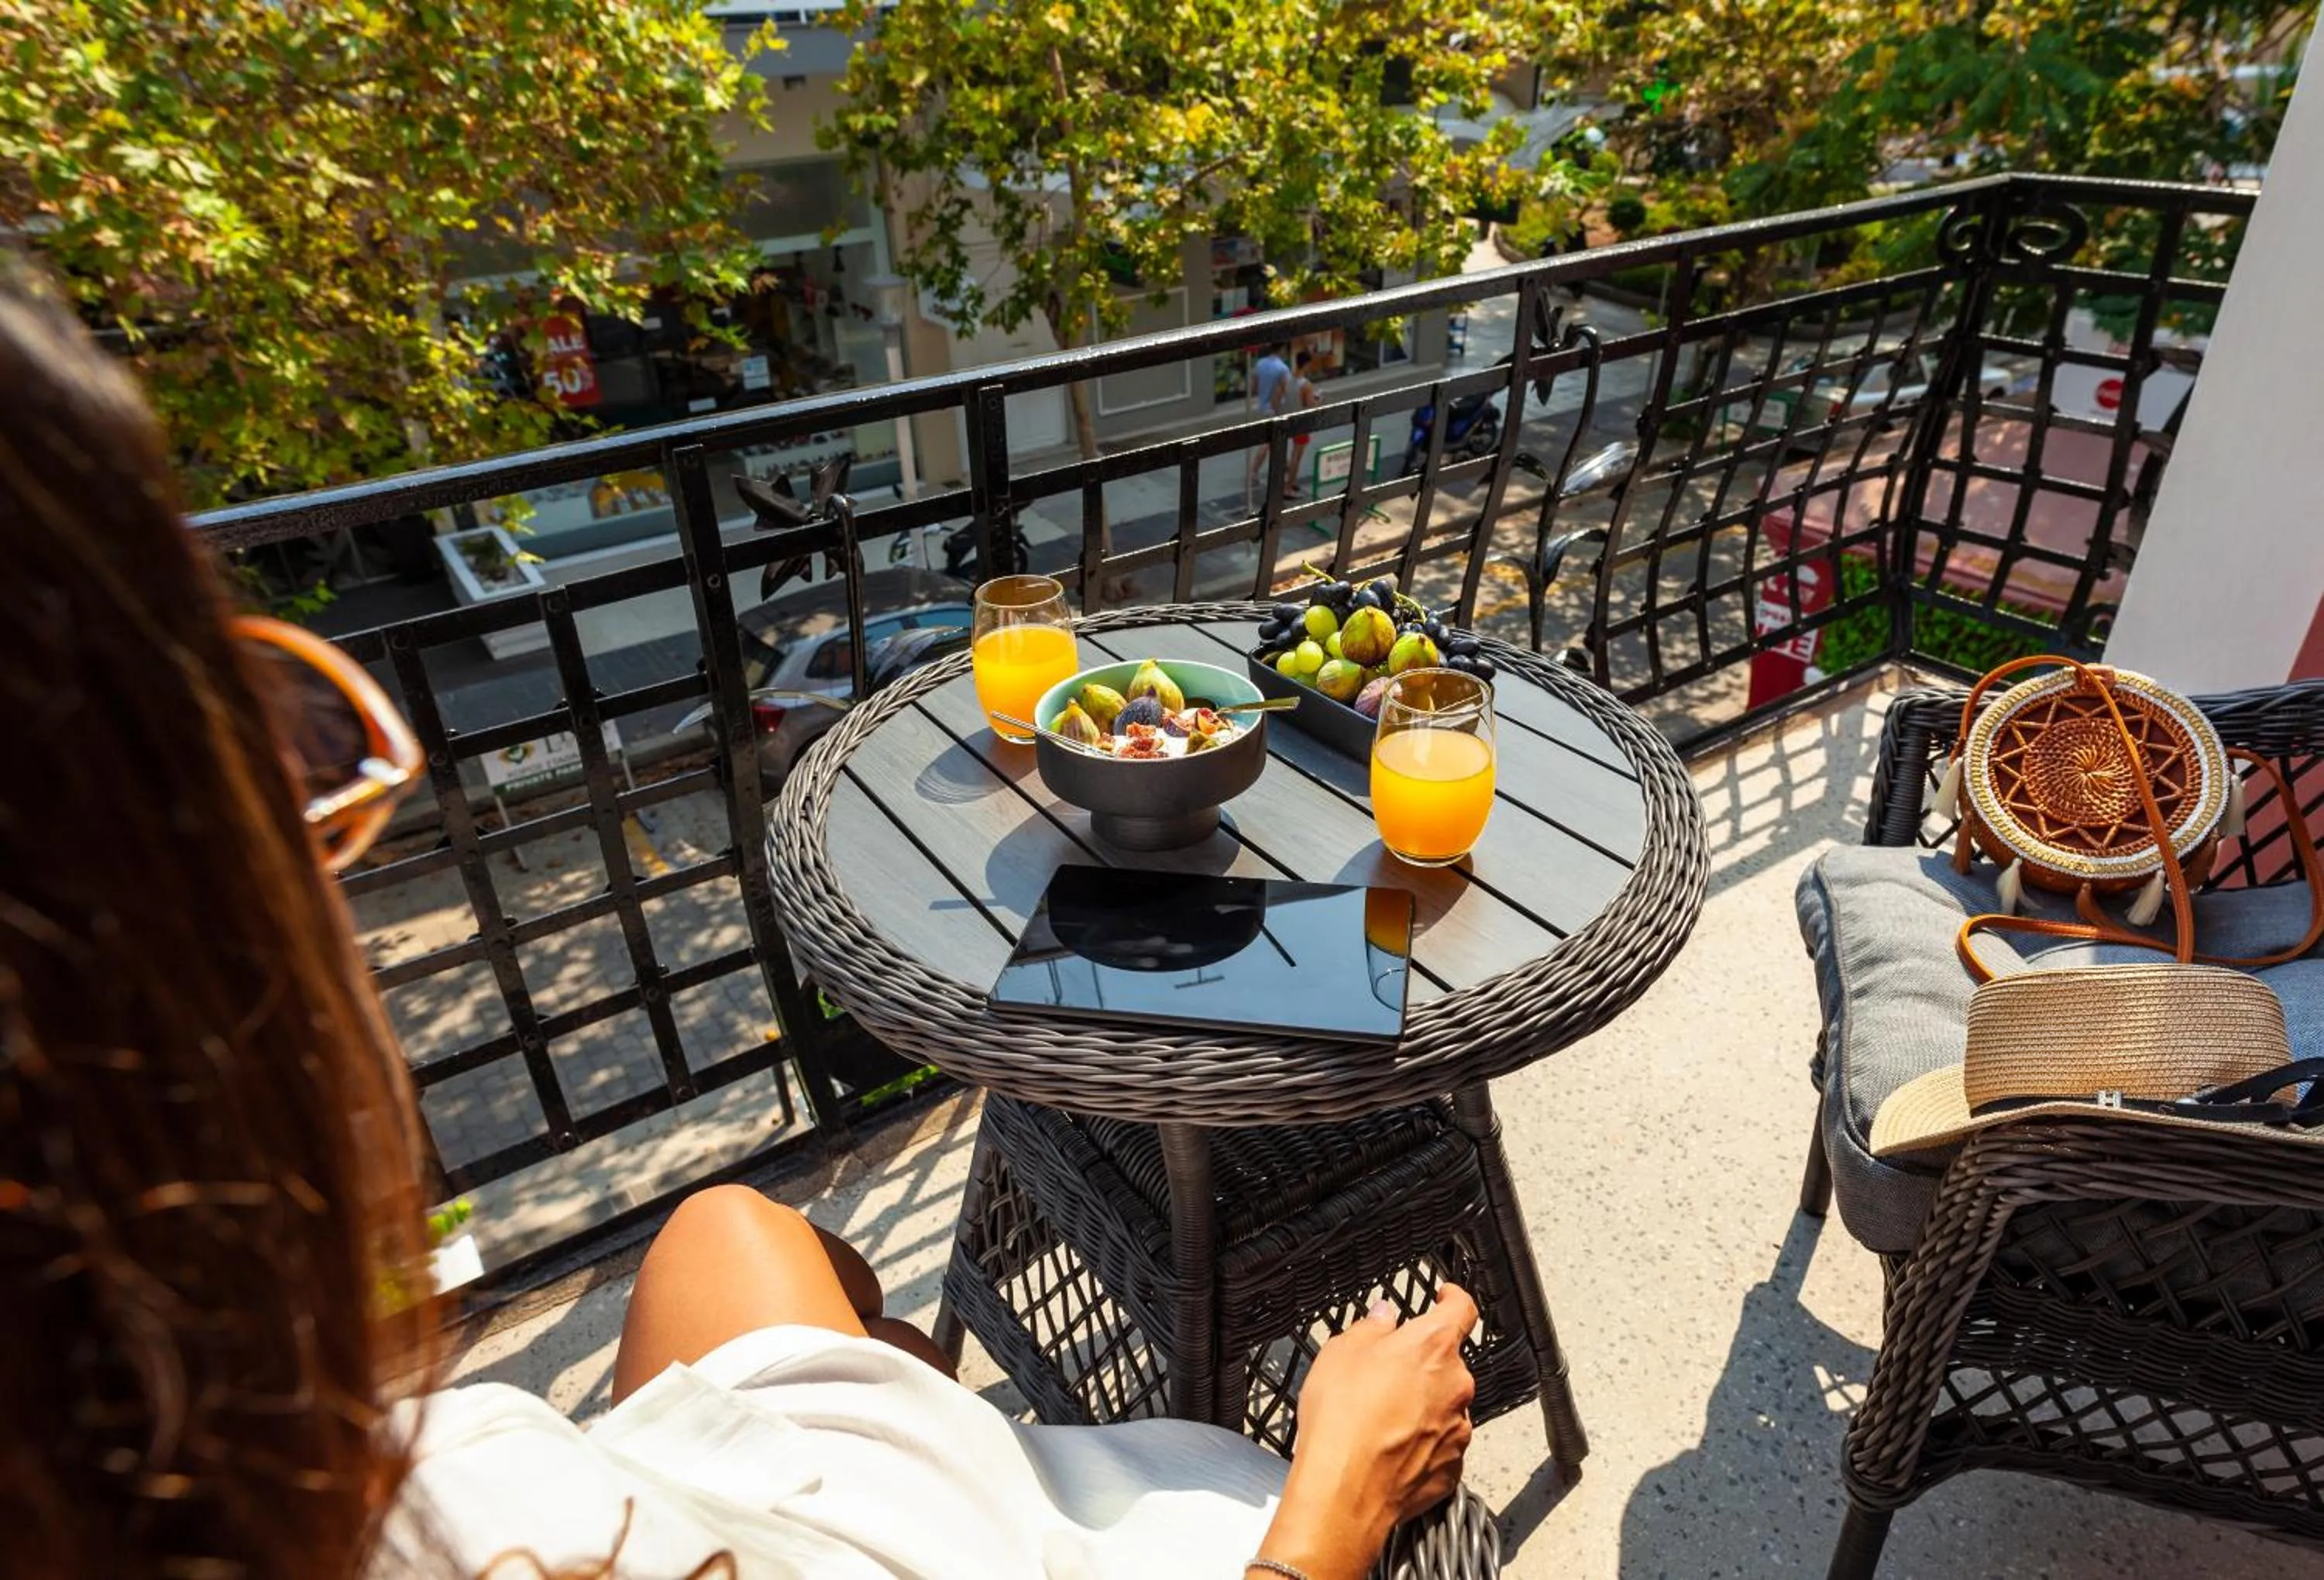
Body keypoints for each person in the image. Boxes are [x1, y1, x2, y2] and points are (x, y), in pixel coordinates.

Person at [0, 261, 1480, 1579]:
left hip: (742, 1508)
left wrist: (888, 1381)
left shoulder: (297, 1491)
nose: (320, 863)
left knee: (735, 1225)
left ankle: (924, 1409)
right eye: (277, 770)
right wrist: (1333, 1512)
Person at [1246, 340, 1294, 496]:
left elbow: (1253, 387)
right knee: (1268, 442)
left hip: (1263, 407)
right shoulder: (1282, 369)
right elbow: (1285, 390)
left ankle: (1284, 465)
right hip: (1276, 408)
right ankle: (1253, 471)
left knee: (1275, 438)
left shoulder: (1260, 364)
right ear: (1281, 349)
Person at [1287, 349, 1322, 501]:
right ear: (1306, 364)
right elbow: (1310, 405)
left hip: (1290, 418)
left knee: (1294, 453)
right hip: (1302, 422)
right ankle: (1288, 487)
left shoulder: (1289, 379)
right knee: (1297, 455)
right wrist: (1318, 400)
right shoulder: (1306, 385)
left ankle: (1291, 483)